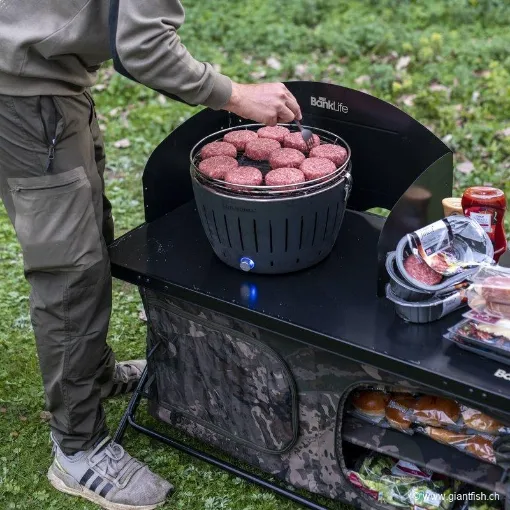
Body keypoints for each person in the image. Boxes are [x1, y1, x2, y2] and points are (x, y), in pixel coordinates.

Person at [0, 1, 302, 509]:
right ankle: (77, 449)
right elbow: (143, 48)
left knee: (91, 236)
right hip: (23, 93)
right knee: (70, 270)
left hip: (44, 79)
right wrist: (236, 95)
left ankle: (93, 375)